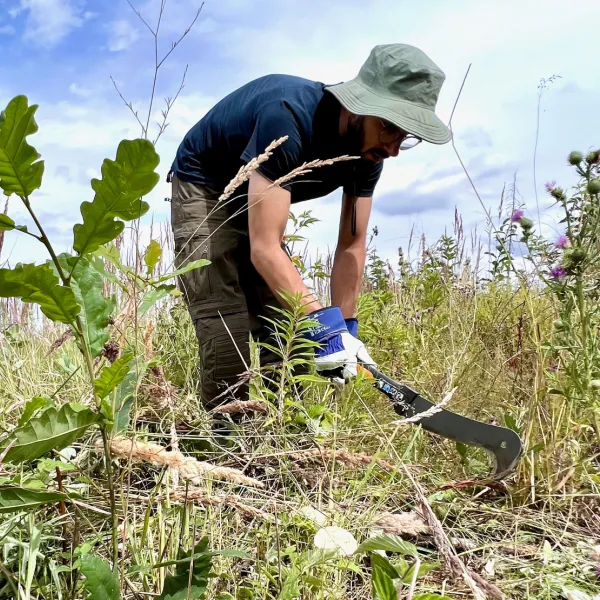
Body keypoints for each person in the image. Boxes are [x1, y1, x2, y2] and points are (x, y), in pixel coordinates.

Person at [168, 43, 452, 410]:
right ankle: (227, 446)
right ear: (357, 106)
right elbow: (265, 247)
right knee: (227, 329)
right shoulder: (288, 117)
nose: (393, 148)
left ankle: (289, 440)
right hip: (206, 187)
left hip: (258, 198)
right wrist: (322, 322)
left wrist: (344, 327)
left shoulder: (368, 153)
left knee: (289, 328)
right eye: (390, 128)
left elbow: (352, 244)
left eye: (405, 136)